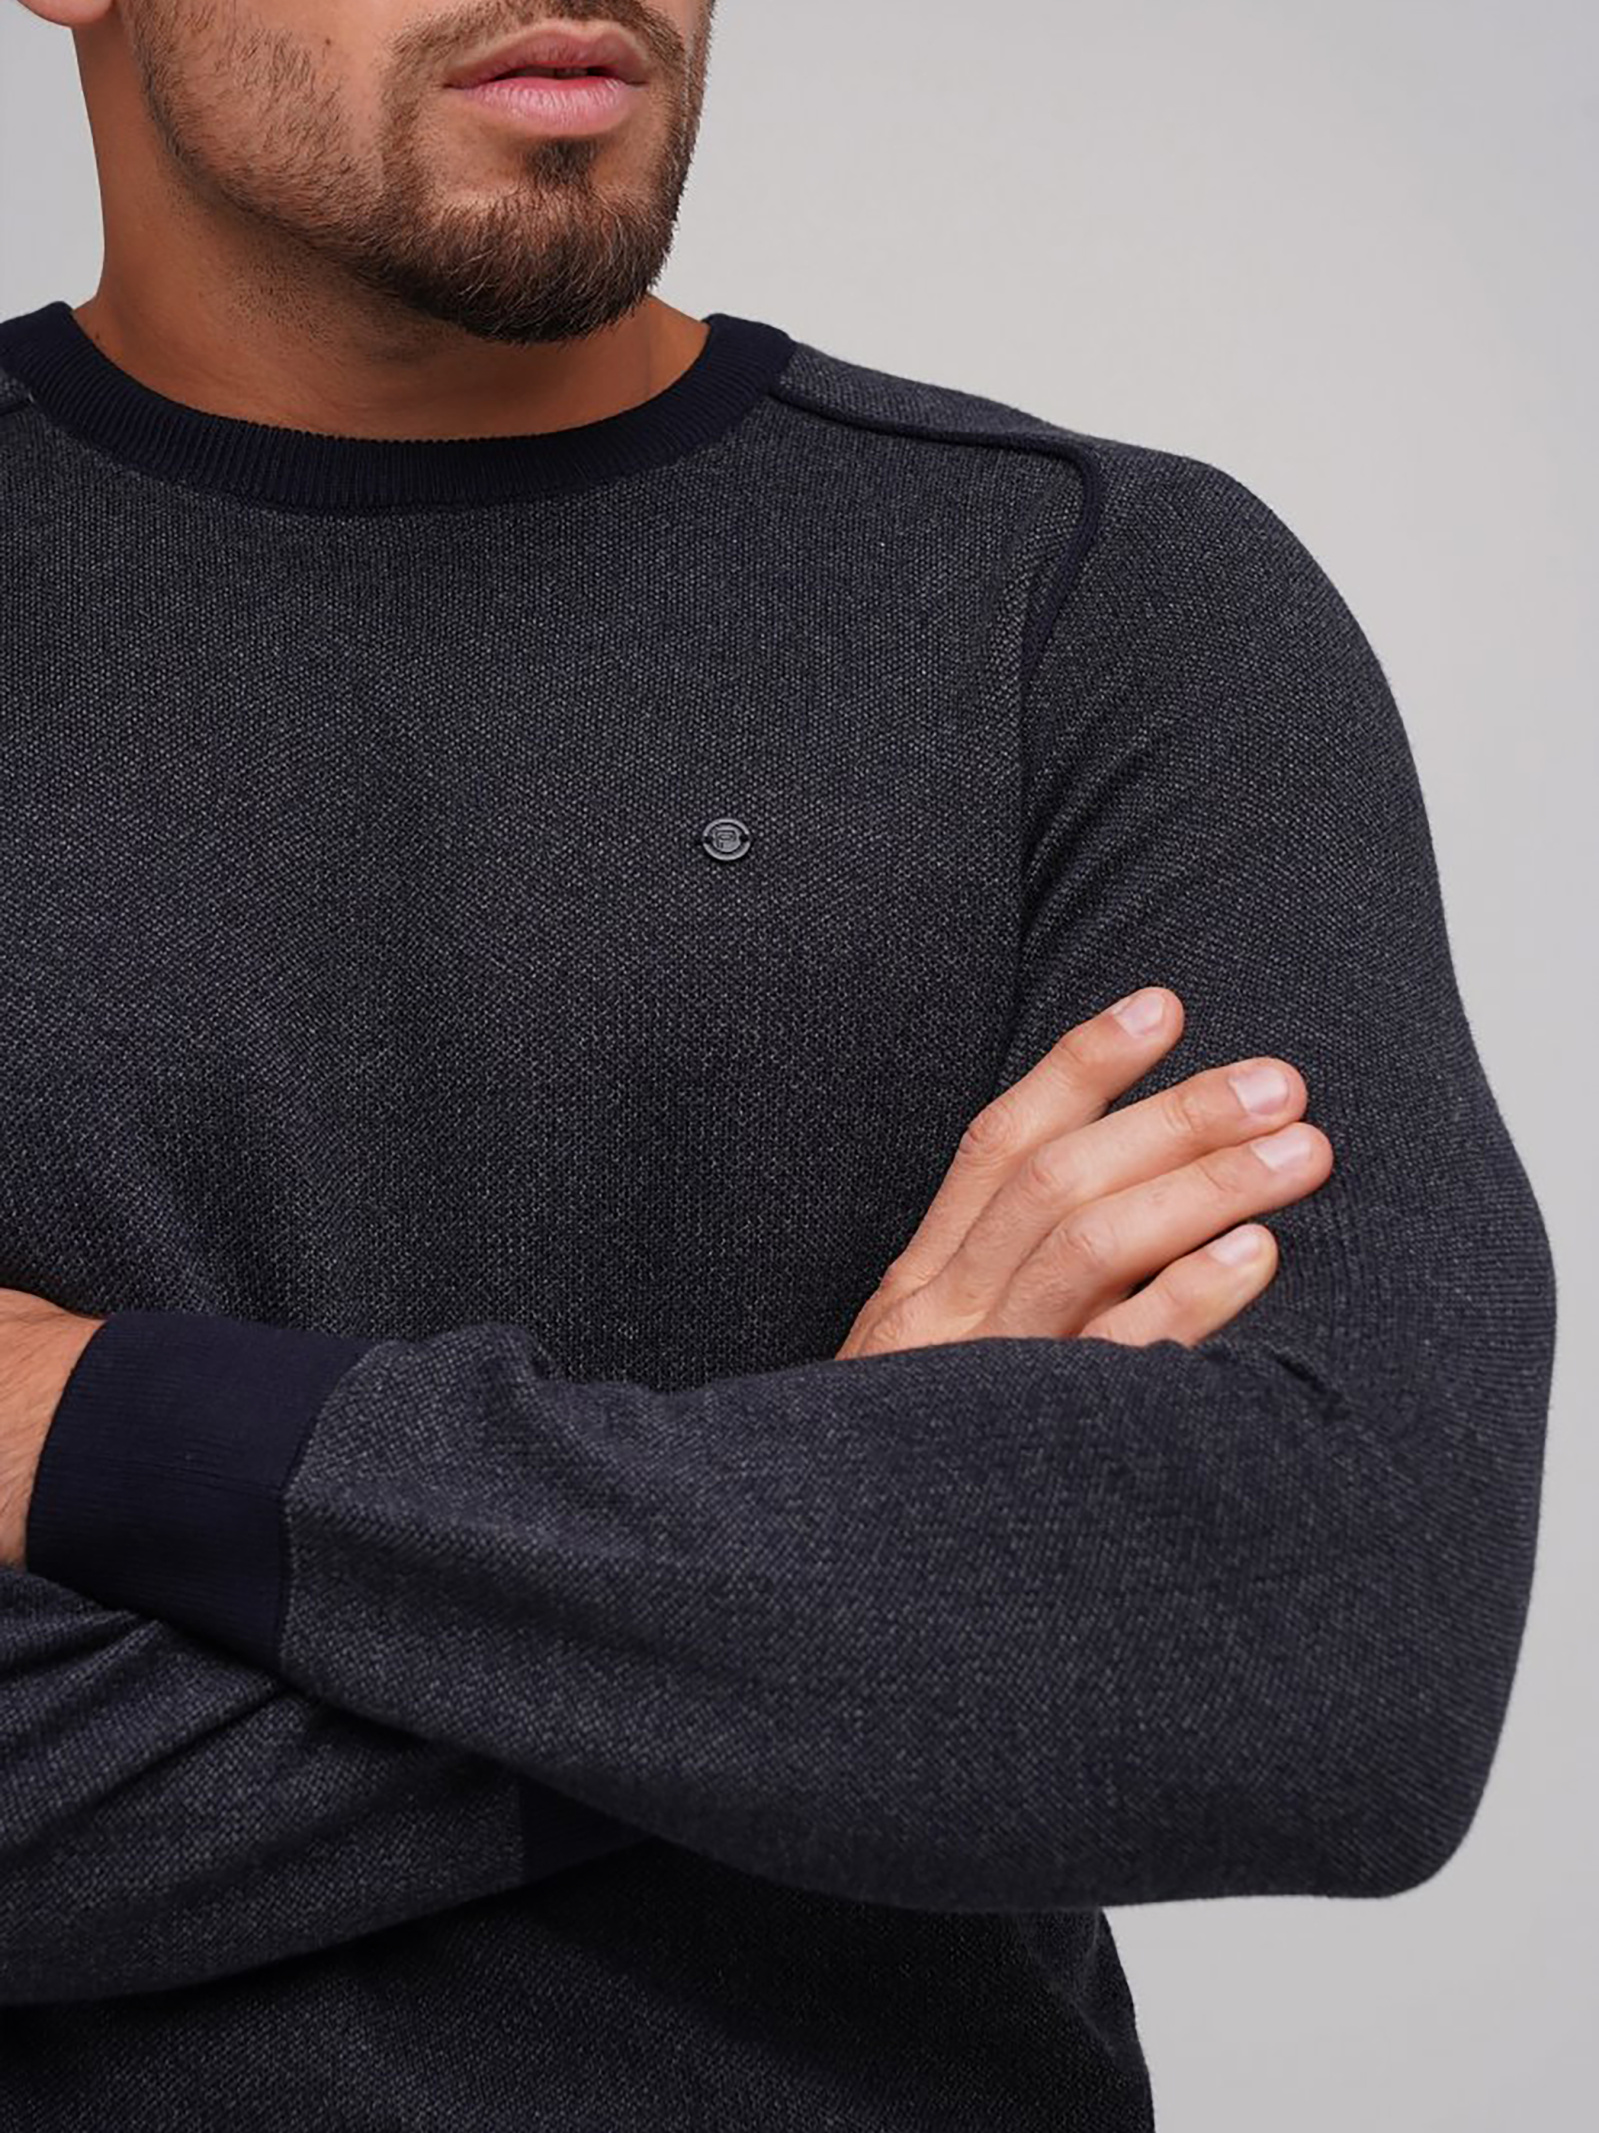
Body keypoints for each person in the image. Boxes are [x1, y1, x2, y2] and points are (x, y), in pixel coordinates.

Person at [0, 3, 1557, 2128]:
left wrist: (100, 1423)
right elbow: (1110, 1641)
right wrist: (852, 1570)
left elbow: (1330, 1651)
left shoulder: (1090, 597)